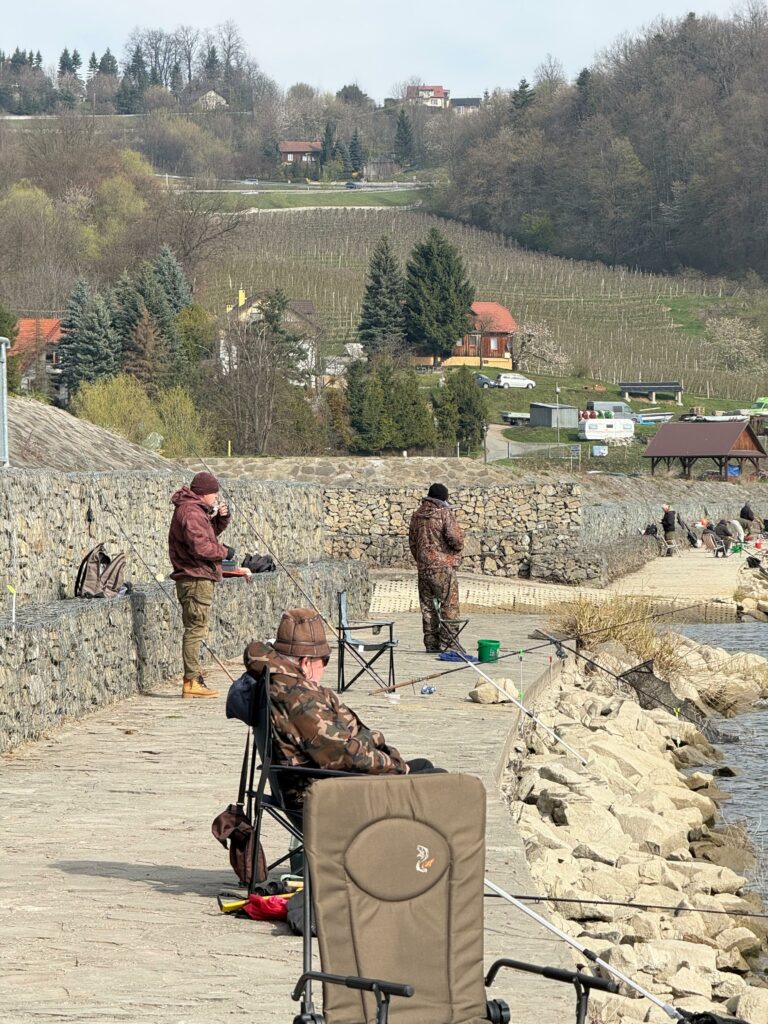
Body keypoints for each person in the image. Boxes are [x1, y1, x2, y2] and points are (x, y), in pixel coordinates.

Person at [244, 609, 444, 810]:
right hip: (324, 800)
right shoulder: (300, 700)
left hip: (320, 783)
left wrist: (388, 758)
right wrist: (398, 767)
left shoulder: (280, 684)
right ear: (306, 662)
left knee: (424, 766)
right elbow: (347, 756)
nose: (325, 667)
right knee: (439, 783)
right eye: (324, 660)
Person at [168, 471, 234, 698]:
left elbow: (207, 535)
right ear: (204, 493)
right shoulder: (191, 512)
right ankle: (191, 681)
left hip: (195, 576)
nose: (216, 498)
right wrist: (225, 552)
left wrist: (220, 520)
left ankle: (193, 677)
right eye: (214, 493)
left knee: (197, 628)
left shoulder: (194, 511)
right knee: (196, 629)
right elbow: (201, 547)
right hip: (195, 577)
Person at [408, 483, 465, 653]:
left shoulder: (417, 515)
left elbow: (412, 542)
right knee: (448, 605)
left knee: (427, 607)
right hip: (443, 566)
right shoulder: (444, 513)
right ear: (443, 498)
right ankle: (449, 644)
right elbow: (456, 540)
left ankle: (431, 643)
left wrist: (422, 559)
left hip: (423, 567)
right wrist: (454, 552)